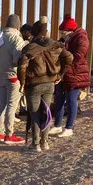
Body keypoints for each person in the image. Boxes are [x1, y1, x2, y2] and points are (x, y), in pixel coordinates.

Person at [18, 17, 73, 152]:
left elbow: (22, 66)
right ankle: (45, 142)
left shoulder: (29, 47)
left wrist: (22, 82)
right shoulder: (55, 45)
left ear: (34, 33)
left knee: (35, 114)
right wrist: (60, 75)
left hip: (34, 85)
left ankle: (35, 144)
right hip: (50, 84)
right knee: (46, 112)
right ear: (46, 32)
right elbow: (70, 57)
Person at [0, 14, 27, 144]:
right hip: (13, 77)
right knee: (12, 106)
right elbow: (18, 59)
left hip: (0, 76)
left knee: (1, 105)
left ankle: (0, 133)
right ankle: (10, 135)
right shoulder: (16, 38)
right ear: (18, 25)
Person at [49, 15, 90, 138]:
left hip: (76, 74)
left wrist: (63, 51)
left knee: (71, 101)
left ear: (69, 31)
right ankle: (57, 125)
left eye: (62, 31)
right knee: (58, 100)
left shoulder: (82, 38)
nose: (60, 34)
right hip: (63, 73)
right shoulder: (65, 39)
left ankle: (69, 127)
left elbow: (78, 56)